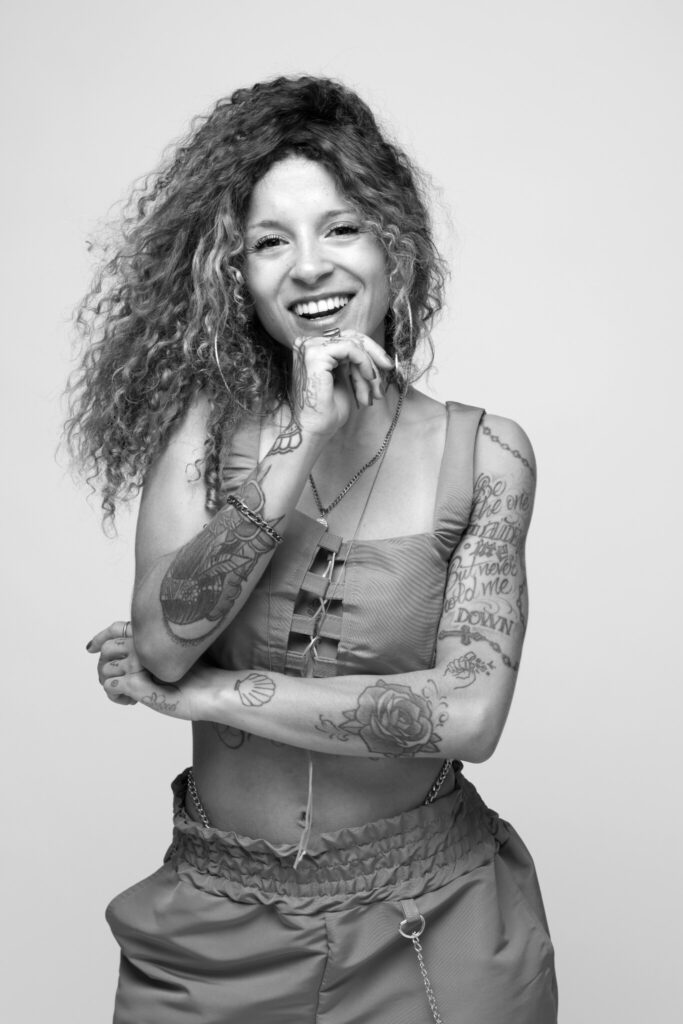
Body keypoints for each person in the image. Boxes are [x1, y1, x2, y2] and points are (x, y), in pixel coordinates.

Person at [68, 75, 558, 1023]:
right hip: (214, 930)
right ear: (233, 275)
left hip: (436, 926)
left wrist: (211, 695)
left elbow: (467, 715)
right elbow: (163, 643)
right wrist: (299, 436)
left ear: (393, 246)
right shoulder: (200, 435)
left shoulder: (487, 454)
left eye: (340, 229)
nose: (308, 267)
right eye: (269, 242)